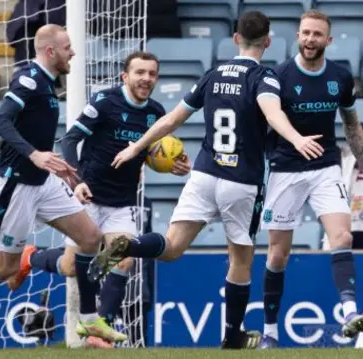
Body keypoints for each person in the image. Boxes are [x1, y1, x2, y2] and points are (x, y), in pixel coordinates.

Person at [93, 11, 324, 349]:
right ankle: (232, 337)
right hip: (241, 181)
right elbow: (273, 113)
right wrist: (296, 138)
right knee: (241, 260)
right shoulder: (264, 77)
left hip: (203, 175)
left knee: (170, 248)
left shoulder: (213, 75)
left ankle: (130, 244)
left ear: (235, 39)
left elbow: (172, 119)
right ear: (268, 42)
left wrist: (136, 146)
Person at [0, 24, 126, 349]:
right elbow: (0, 121)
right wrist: (35, 154)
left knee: (91, 238)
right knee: (6, 266)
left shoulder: (48, 85)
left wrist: (57, 167)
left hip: (42, 182)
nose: (73, 52)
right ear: (50, 51)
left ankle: (90, 321)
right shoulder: (28, 79)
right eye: (67, 47)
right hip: (15, 184)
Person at [3, 51, 190, 348]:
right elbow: (70, 139)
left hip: (123, 202)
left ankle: (96, 330)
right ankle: (30, 257)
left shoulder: (156, 112)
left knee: (125, 258)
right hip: (88, 197)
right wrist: (77, 180)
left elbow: (154, 152)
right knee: (69, 266)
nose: (146, 78)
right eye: (140, 72)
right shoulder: (105, 101)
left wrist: (174, 166)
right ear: (124, 76)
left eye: (152, 74)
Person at [257, 10, 363, 349]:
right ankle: (271, 332)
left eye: (317, 34)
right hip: (286, 168)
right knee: (277, 256)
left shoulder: (341, 77)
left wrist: (361, 161)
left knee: (342, 235)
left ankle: (349, 313)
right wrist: (292, 141)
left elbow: (350, 124)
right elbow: (268, 119)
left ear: (328, 40)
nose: (310, 39)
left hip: (325, 167)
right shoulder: (279, 75)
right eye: (305, 33)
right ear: (297, 36)